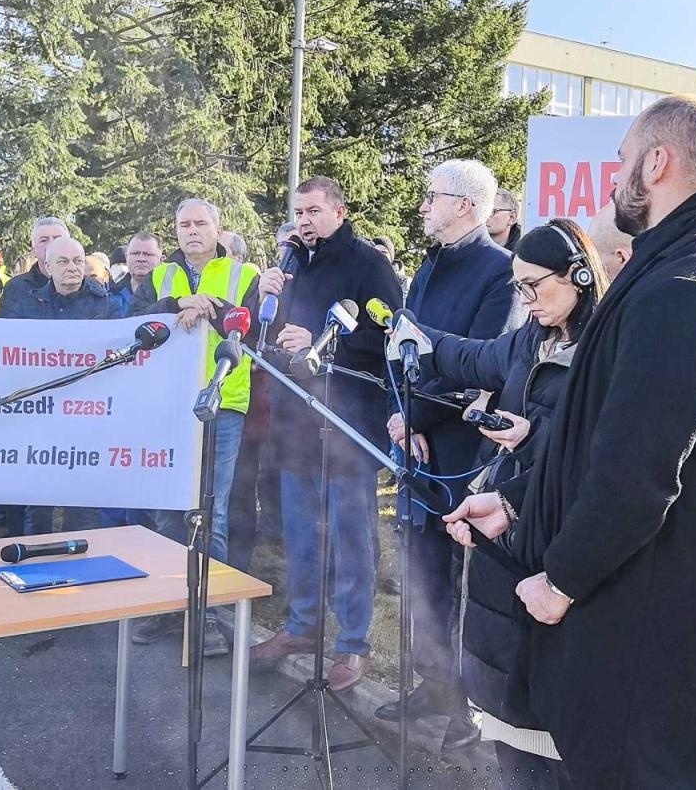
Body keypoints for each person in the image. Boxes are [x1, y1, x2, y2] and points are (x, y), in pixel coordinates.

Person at [446, 94, 696, 788]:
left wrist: (562, 577)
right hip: (642, 625)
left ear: (657, 163)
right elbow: (596, 432)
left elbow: (638, 473)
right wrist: (518, 506)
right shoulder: (681, 267)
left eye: (622, 162)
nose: (611, 179)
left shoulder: (691, 286)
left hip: (656, 642)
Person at [417, 219, 608, 787]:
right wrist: (420, 337)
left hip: (555, 529)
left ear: (578, 274)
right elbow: (478, 358)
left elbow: (604, 447)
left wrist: (531, 438)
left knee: (545, 695)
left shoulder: (604, 347)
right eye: (518, 287)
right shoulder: (531, 334)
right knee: (504, 684)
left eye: (534, 286)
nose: (525, 300)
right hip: (510, 516)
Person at [378, 159, 514, 748]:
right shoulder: (430, 264)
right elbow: (405, 348)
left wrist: (419, 416)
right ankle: (433, 682)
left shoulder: (500, 271)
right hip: (418, 440)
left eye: (433, 196)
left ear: (464, 204)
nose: (424, 206)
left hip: (465, 445)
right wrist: (402, 415)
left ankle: (470, 708)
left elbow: (485, 363)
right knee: (423, 568)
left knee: (465, 576)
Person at [249, 176, 403, 692]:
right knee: (300, 533)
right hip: (294, 425)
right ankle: (302, 625)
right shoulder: (290, 264)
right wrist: (261, 295)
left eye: (313, 211)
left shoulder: (368, 264)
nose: (304, 222)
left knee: (351, 537)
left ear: (339, 210)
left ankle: (353, 643)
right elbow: (259, 336)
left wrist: (319, 343)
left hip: (347, 423)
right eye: (298, 212)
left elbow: (388, 338)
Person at [127, 199, 260, 658]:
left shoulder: (245, 275)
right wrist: (178, 303)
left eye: (201, 223)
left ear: (218, 228)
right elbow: (135, 322)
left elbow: (253, 331)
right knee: (168, 508)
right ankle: (168, 602)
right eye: (184, 224)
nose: (192, 231)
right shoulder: (160, 276)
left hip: (224, 403)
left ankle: (206, 609)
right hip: (168, 405)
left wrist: (211, 307)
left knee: (213, 511)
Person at [0, 236, 124, 536]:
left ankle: (81, 562)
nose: (72, 268)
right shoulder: (28, 303)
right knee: (38, 500)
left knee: (83, 501)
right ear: (47, 266)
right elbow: (6, 350)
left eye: (78, 261)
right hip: (39, 413)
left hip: (88, 414)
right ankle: (35, 559)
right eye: (63, 262)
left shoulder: (107, 305)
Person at [0, 217, 73, 313]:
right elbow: (5, 326)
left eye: (57, 238)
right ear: (34, 251)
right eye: (43, 240)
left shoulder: (87, 287)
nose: (51, 244)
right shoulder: (15, 288)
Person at [111, 231, 163, 315]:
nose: (141, 259)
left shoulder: (168, 295)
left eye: (148, 254)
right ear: (126, 257)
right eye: (135, 253)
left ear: (161, 260)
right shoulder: (110, 296)